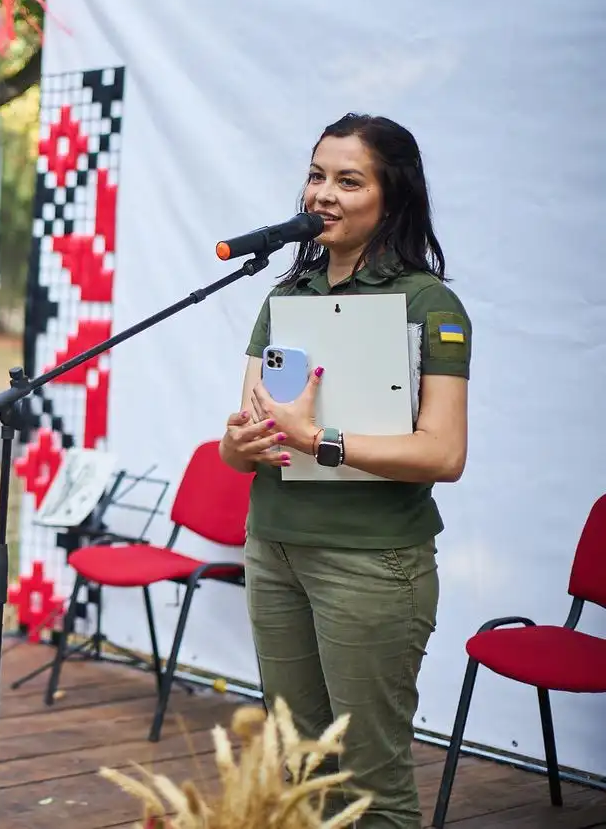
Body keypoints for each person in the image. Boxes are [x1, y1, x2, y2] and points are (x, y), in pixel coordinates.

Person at [218, 114, 471, 829]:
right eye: (316, 175)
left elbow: (444, 453)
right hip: (273, 548)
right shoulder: (284, 298)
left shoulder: (429, 303)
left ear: (393, 196)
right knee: (298, 769)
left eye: (349, 180)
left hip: (371, 564)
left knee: (370, 783)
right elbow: (242, 444)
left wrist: (320, 440)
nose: (323, 194)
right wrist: (239, 443)